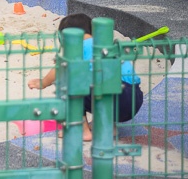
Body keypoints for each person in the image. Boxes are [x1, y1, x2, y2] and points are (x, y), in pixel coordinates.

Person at [28, 13, 144, 141]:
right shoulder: (105, 45)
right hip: (134, 99)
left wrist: (43, 83)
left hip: (115, 96)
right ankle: (108, 127)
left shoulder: (77, 47)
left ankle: (81, 131)